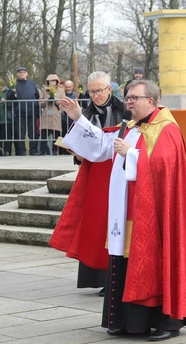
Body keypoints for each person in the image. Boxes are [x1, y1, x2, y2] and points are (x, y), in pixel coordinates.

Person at [57, 80, 186, 341]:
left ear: (152, 100)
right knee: (124, 262)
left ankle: (164, 322)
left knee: (153, 261)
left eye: (135, 98)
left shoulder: (166, 128)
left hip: (154, 216)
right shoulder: (129, 127)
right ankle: (126, 321)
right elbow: (102, 145)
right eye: (127, 98)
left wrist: (132, 155)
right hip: (125, 211)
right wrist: (78, 117)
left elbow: (164, 166)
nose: (129, 102)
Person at [50, 71, 125, 297]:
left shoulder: (125, 110)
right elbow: (78, 145)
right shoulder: (86, 113)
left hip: (117, 171)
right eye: (92, 92)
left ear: (109, 89)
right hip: (95, 173)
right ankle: (98, 276)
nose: (96, 96)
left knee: (113, 220)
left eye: (100, 91)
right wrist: (77, 152)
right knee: (95, 222)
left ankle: (116, 276)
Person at [7, 67, 42, 156]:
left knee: (33, 132)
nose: (22, 74)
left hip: (32, 111)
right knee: (20, 132)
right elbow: (9, 97)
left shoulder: (31, 83)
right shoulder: (14, 84)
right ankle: (21, 151)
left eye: (24, 72)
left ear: (27, 74)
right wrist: (12, 93)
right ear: (17, 74)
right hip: (20, 112)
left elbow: (37, 96)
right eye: (20, 72)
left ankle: (33, 150)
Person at [39, 74, 65, 155]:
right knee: (44, 134)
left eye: (54, 80)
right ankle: (42, 151)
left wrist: (55, 100)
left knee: (56, 134)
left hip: (56, 114)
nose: (52, 82)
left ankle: (55, 150)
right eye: (50, 81)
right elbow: (40, 102)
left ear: (57, 81)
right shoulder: (44, 90)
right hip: (46, 114)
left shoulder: (61, 91)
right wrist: (47, 100)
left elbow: (63, 101)